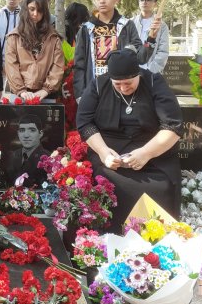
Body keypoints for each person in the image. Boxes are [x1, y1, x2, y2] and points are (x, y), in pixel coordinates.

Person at [76, 48, 183, 233]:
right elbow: (85, 122)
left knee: (162, 185)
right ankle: (107, 238)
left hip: (152, 154)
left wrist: (145, 153)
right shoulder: (98, 85)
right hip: (110, 154)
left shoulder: (154, 82)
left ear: (139, 74)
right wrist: (102, 152)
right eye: (117, 84)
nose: (124, 88)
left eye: (128, 83)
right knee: (103, 180)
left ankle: (155, 237)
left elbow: (173, 125)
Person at [73, 0, 161, 102]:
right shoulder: (86, 29)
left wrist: (151, 38)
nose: (102, 1)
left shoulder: (126, 25)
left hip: (122, 92)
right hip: (94, 91)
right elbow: (79, 65)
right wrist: (80, 94)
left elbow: (140, 58)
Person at [5, 0, 64, 100]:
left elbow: (58, 65)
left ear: (45, 12)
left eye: (40, 10)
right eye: (32, 9)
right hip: (20, 93)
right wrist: (21, 91)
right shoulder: (14, 36)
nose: (35, 14)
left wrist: (46, 90)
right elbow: (11, 65)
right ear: (26, 9)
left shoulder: (53, 37)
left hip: (46, 94)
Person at [131, 0, 169, 73]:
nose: (144, 2)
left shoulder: (161, 26)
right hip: (131, 72)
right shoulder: (130, 23)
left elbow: (163, 51)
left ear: (155, 3)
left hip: (151, 72)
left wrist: (151, 70)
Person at [6, 114, 49, 187]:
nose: (26, 135)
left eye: (32, 130)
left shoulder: (48, 157)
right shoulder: (12, 156)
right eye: (22, 130)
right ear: (18, 133)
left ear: (40, 134)